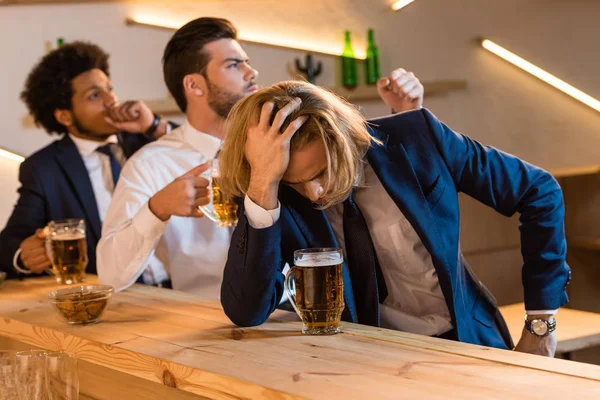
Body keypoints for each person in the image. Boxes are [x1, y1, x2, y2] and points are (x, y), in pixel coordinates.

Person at [217, 80, 571, 357]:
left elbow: (538, 190)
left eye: (323, 171)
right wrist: (265, 182)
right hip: (366, 363)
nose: (315, 193)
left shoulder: (419, 138)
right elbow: (247, 310)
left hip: (468, 344)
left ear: (344, 140)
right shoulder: (271, 189)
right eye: (297, 182)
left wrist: (541, 320)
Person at [96, 16, 424, 294]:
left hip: (316, 315)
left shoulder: (293, 142)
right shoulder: (152, 165)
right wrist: (157, 209)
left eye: (247, 62)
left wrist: (403, 118)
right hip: (207, 331)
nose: (252, 73)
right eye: (234, 64)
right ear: (194, 86)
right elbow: (111, 275)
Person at [0, 41, 173, 284]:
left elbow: (204, 152)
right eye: (95, 95)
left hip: (182, 284)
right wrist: (24, 255)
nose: (111, 100)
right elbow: (9, 243)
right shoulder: (44, 168)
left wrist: (155, 126)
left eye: (109, 88)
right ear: (64, 116)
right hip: (119, 297)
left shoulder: (146, 139)